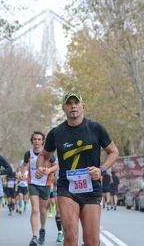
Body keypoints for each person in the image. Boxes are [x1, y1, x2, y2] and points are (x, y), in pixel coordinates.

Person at [35, 92, 119, 246]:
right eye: (69, 103)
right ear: (64, 108)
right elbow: (43, 155)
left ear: (83, 106)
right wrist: (40, 168)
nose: (73, 105)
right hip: (67, 188)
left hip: (92, 187)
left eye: (76, 102)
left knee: (92, 241)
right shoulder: (57, 133)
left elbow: (113, 152)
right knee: (71, 235)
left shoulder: (95, 128)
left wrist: (101, 170)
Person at [20, 131, 59, 246]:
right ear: (32, 141)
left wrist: (49, 170)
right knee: (35, 209)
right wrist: (22, 174)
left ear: (43, 141)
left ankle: (42, 229)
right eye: (35, 139)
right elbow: (24, 165)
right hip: (32, 183)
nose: (36, 141)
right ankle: (34, 236)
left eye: (39, 139)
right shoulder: (29, 153)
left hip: (45, 184)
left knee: (42, 211)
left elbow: (56, 165)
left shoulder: (48, 154)